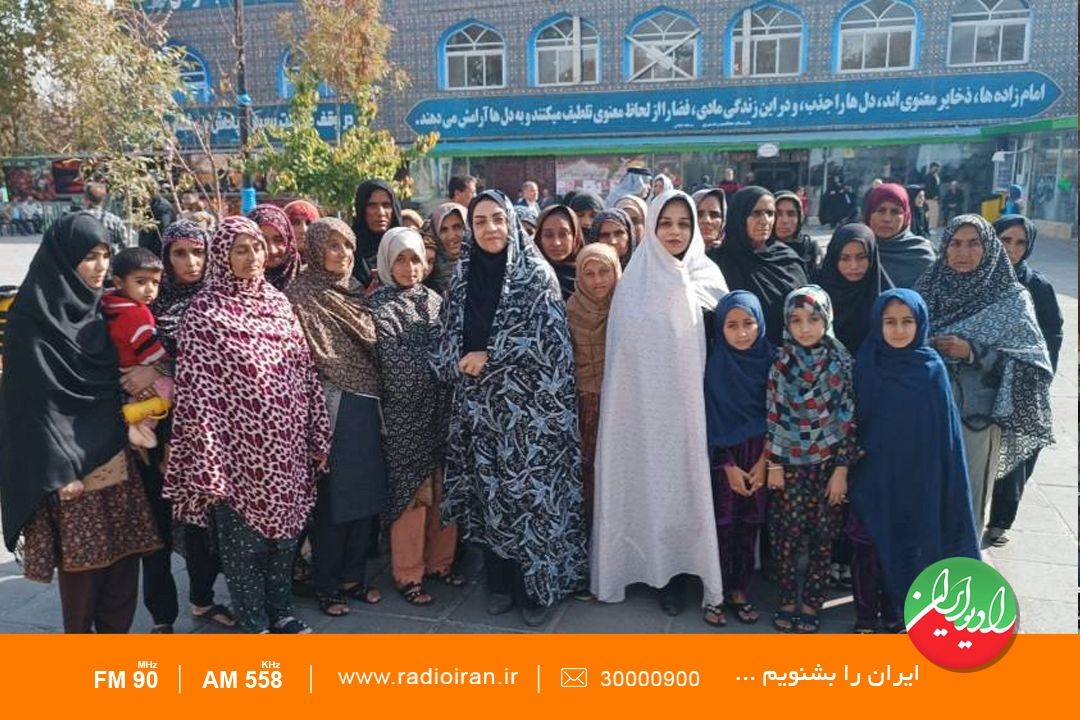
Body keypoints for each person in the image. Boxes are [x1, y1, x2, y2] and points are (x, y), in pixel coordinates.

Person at [164, 216, 331, 634]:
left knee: (286, 536)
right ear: (222, 255)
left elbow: (304, 370)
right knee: (245, 544)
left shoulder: (278, 304)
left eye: (257, 247)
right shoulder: (204, 313)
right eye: (241, 249)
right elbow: (196, 393)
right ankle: (253, 619)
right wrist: (208, 459)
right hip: (236, 452)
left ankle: (281, 610)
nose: (253, 256)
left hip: (286, 448)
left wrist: (316, 431)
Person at [431, 190, 587, 627]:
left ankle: (536, 591)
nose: (490, 229)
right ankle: (499, 583)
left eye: (498, 219)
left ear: (512, 223)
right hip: (481, 416)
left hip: (533, 420)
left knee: (532, 504)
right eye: (480, 221)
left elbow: (551, 348)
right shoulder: (463, 279)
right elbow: (444, 338)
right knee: (492, 501)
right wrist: (458, 361)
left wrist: (490, 357)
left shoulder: (536, 277)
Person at [0, 212, 161, 633]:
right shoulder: (31, 320)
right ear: (63, 257)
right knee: (84, 569)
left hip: (116, 456)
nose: (101, 266)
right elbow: (31, 406)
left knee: (123, 565)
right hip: (70, 468)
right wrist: (60, 471)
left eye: (106, 255)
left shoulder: (101, 309)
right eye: (89, 256)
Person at [592, 189, 728, 626]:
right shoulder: (635, 283)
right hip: (643, 415)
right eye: (665, 222)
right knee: (647, 487)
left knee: (690, 490)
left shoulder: (708, 276)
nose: (674, 231)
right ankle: (652, 571)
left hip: (696, 411)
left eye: (683, 223)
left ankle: (687, 572)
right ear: (650, 227)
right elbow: (623, 361)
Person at [848, 289, 980, 633]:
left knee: (912, 540)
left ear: (920, 324)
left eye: (907, 321)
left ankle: (902, 610)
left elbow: (944, 433)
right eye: (889, 321)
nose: (898, 330)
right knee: (870, 540)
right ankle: (867, 613)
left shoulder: (930, 367)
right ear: (877, 323)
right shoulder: (867, 362)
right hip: (874, 471)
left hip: (919, 473)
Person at [915, 215, 1054, 537]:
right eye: (955, 243)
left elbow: (1033, 367)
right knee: (922, 499)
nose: (963, 253)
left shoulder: (1011, 298)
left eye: (973, 243)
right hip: (926, 413)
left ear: (989, 248)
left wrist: (973, 352)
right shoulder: (927, 287)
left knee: (967, 503)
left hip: (975, 420)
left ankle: (960, 565)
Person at [284, 217, 388, 617]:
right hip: (328, 405)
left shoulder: (356, 292)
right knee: (332, 501)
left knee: (363, 495)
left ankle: (352, 578)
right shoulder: (299, 295)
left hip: (366, 402)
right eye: (332, 245)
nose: (342, 253)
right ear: (313, 250)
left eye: (347, 245)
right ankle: (326, 585)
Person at [149, 219, 235, 632]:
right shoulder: (149, 307)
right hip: (159, 431)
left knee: (204, 522)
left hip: (211, 431)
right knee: (159, 528)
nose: (191, 262)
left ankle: (202, 598)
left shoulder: (221, 303)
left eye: (198, 252)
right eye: (180, 253)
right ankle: (161, 617)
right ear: (166, 258)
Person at [371, 227, 461, 605]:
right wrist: (440, 366)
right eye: (401, 260)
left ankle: (440, 563)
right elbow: (398, 367)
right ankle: (408, 573)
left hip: (440, 412)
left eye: (416, 260)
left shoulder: (435, 300)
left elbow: (451, 349)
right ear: (387, 263)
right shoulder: (379, 307)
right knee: (411, 495)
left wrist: (443, 366)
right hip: (405, 416)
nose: (410, 268)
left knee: (443, 489)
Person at [766, 285, 858, 634]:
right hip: (788, 466)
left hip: (827, 466)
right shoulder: (781, 362)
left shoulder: (841, 362)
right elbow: (773, 414)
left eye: (813, 319)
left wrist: (841, 470)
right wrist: (775, 464)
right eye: (796, 320)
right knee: (786, 536)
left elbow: (849, 419)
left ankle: (812, 602)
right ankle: (787, 599)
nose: (805, 328)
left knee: (823, 537)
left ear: (827, 319)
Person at [987, 215, 1063, 546]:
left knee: (1016, 452)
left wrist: (1036, 373)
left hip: (1022, 381)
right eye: (1005, 240)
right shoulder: (977, 277)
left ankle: (1000, 520)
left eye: (1020, 243)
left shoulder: (1037, 287)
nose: (1012, 249)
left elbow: (1051, 335)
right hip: (981, 378)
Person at [704, 291, 773, 627]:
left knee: (750, 525)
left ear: (760, 323)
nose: (742, 332)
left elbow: (780, 413)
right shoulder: (715, 366)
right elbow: (711, 420)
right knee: (722, 525)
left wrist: (764, 461)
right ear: (720, 328)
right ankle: (714, 592)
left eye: (748, 323)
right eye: (731, 325)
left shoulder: (772, 361)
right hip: (725, 459)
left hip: (761, 455)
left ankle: (740, 591)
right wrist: (728, 466)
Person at [566, 243, 622, 541]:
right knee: (588, 475)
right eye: (589, 273)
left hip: (621, 403)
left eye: (604, 272)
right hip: (585, 404)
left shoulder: (627, 309)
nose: (598, 280)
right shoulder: (569, 311)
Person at [714, 186, 808, 345]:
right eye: (756, 213)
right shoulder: (720, 261)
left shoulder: (787, 258)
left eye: (770, 213)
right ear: (739, 216)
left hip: (786, 354)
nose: (765, 220)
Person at [99, 247, 172, 450]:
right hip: (139, 366)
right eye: (141, 282)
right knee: (169, 390)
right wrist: (165, 364)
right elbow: (150, 351)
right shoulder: (138, 313)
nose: (150, 289)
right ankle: (140, 427)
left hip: (123, 369)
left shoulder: (109, 302)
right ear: (119, 282)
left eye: (155, 283)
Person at [815, 223, 894, 354]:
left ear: (872, 256)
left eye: (861, 257)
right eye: (844, 258)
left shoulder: (886, 299)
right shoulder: (818, 296)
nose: (854, 266)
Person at [863, 182, 935, 288]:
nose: (887, 219)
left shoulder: (921, 254)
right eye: (881, 210)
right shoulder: (857, 249)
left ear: (905, 216)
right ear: (869, 214)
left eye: (895, 212)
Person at [351, 179, 402, 287]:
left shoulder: (406, 246)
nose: (380, 213)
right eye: (371, 205)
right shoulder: (348, 249)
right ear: (361, 209)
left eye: (386, 205)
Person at [248, 204, 300, 291]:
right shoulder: (233, 290)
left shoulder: (307, 282)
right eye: (263, 241)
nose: (272, 250)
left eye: (278, 240)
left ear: (289, 240)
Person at [535, 204, 583, 300]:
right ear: (539, 238)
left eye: (563, 234)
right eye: (548, 235)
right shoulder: (531, 278)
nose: (556, 243)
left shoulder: (590, 274)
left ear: (575, 236)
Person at [773, 190, 821, 276]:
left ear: (799, 217)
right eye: (778, 214)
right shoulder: (761, 248)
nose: (785, 220)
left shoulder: (809, 247)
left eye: (791, 214)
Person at [424, 202, 467, 297]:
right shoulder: (428, 269)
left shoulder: (482, 264)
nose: (451, 236)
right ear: (435, 233)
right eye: (443, 230)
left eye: (457, 227)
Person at [83, 182, 133, 253]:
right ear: (103, 200)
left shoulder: (77, 221)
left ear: (86, 199)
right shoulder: (115, 221)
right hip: (110, 258)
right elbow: (126, 247)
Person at [693, 187, 727, 260]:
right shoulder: (674, 257)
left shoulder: (732, 258)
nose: (707, 220)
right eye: (699, 214)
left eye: (714, 215)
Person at [924, 162, 942, 228]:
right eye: (937, 168)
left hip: (935, 198)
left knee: (933, 213)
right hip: (930, 198)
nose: (938, 170)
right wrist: (933, 196)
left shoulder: (936, 176)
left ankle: (931, 227)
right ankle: (930, 227)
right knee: (932, 213)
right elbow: (929, 187)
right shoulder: (929, 176)